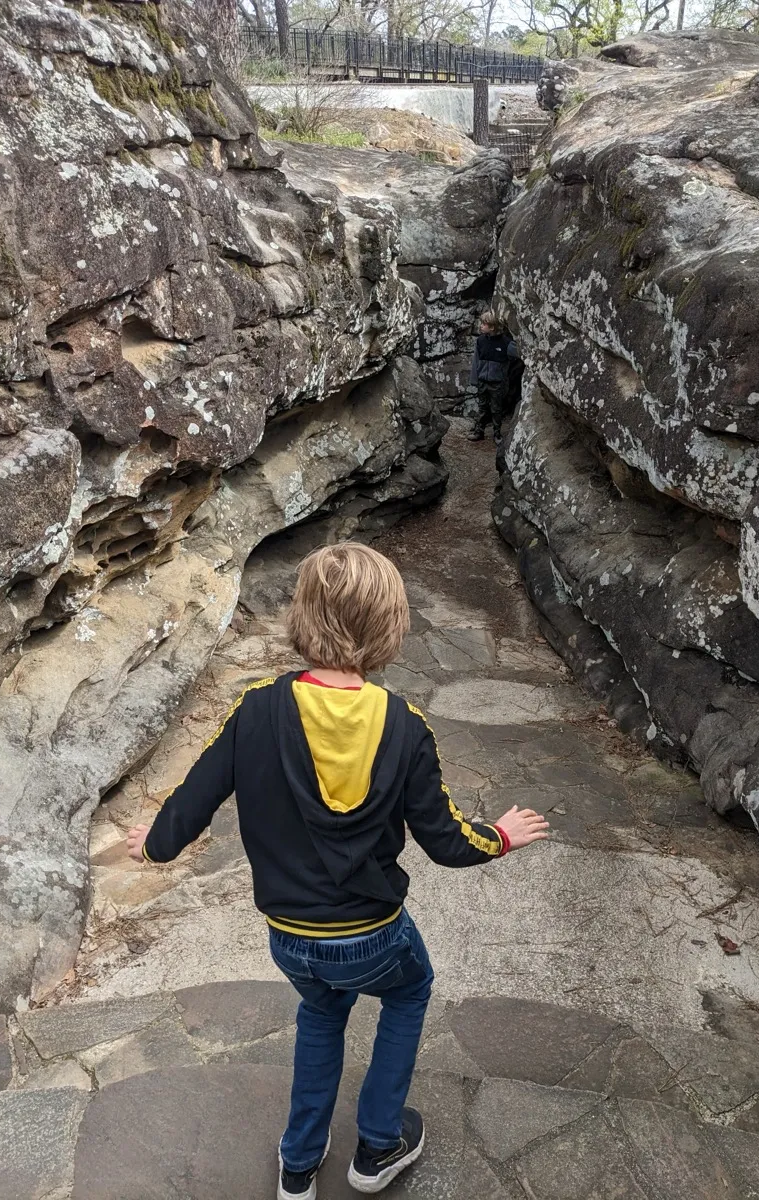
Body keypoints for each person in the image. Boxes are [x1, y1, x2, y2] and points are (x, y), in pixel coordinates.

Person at [126, 543, 549, 1200]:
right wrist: (502, 836)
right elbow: (447, 840)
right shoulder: (404, 727)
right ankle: (378, 1147)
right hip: (373, 931)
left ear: (304, 615)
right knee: (409, 994)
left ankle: (299, 1164)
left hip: (291, 935)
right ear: (390, 625)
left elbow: (191, 801)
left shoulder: (256, 709)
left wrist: (151, 844)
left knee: (321, 1016)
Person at [467, 311, 520, 445]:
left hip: (497, 382)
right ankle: (479, 431)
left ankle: (497, 433)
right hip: (483, 381)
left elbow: (518, 355)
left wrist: (505, 373)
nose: (481, 326)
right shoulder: (480, 341)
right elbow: (476, 361)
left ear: (492, 327)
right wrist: (475, 379)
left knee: (496, 409)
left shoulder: (506, 343)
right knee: (482, 407)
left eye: (484, 324)